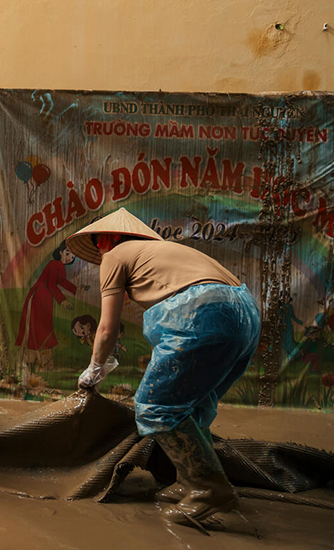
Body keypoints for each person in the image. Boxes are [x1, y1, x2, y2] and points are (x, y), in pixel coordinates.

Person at [66, 208, 260, 528]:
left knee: (155, 406)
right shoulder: (170, 253)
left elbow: (107, 328)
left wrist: (96, 368)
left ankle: (211, 494)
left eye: (100, 244)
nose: (101, 252)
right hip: (246, 314)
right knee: (192, 406)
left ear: (108, 239)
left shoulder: (115, 255)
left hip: (204, 310)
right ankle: (189, 480)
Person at [15, 240, 81, 374]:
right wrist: (62, 301)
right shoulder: (54, 264)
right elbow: (52, 285)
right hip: (39, 297)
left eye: (72, 257)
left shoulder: (59, 266)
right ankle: (33, 362)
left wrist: (76, 289)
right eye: (67, 253)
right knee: (38, 329)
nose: (69, 258)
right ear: (61, 251)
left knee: (43, 328)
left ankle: (40, 362)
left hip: (45, 298)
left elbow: (61, 281)